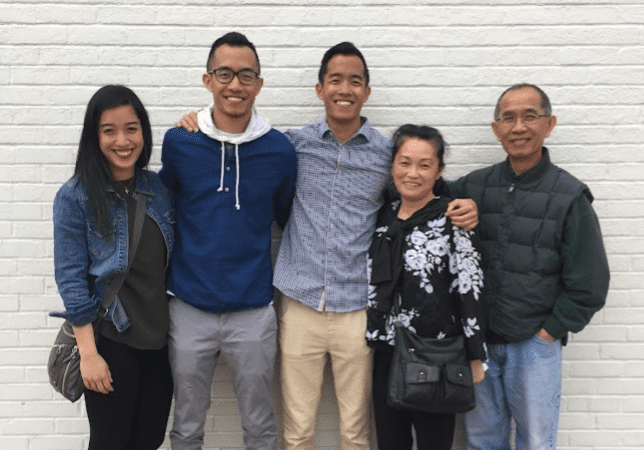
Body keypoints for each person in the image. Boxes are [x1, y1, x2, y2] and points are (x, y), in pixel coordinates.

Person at [177, 42, 478, 450]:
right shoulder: (291, 145)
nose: (345, 89)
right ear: (320, 89)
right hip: (299, 302)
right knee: (297, 429)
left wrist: (463, 202)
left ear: (366, 92)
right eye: (335, 79)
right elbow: (247, 156)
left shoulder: (386, 152)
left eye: (355, 81)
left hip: (358, 306)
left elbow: (418, 182)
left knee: (356, 430)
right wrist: (197, 123)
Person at [450, 84, 610, 450]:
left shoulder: (569, 195)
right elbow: (421, 196)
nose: (518, 127)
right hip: (481, 346)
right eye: (508, 118)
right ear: (496, 129)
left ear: (549, 124)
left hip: (534, 346)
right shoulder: (474, 186)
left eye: (529, 116)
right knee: (481, 441)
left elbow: (591, 282)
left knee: (537, 442)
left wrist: (548, 333)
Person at [159, 32, 297, 450]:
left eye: (245, 75)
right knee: (185, 424)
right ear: (207, 79)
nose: (234, 85)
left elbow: (285, 217)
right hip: (188, 306)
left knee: (259, 424)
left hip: (253, 310)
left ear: (258, 83)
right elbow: (164, 212)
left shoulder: (279, 150)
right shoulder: (179, 142)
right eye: (224, 74)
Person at [51, 85, 175, 450]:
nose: (123, 140)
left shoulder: (159, 188)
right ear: (95, 136)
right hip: (110, 342)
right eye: (109, 130)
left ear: (144, 132)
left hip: (159, 344)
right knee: (109, 443)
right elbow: (71, 281)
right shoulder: (75, 197)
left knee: (148, 442)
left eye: (132, 128)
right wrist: (89, 356)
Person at [366, 124, 487, 450]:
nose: (413, 173)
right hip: (388, 350)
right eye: (405, 163)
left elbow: (471, 285)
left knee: (434, 443)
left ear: (439, 170)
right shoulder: (383, 216)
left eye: (424, 165)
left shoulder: (453, 219)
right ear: (392, 164)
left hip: (437, 352)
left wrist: (475, 355)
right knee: (391, 443)